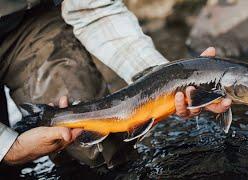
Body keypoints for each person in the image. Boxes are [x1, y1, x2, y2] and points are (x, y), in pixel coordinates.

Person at [0, 0, 232, 166]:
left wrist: (163, 80)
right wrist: (9, 148)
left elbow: (94, 9)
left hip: (28, 22)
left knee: (96, 151)